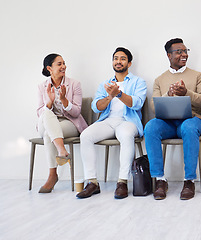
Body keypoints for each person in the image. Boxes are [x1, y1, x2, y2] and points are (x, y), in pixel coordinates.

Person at [144, 38, 201, 200]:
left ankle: (189, 181)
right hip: (167, 123)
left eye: (185, 51)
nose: (184, 55)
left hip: (192, 120)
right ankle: (160, 180)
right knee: (150, 127)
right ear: (168, 55)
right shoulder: (159, 80)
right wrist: (170, 94)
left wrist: (187, 93)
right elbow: (153, 107)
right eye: (179, 51)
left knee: (188, 128)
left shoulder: (198, 76)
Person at [76, 47, 147, 199]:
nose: (118, 61)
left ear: (129, 63)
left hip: (128, 121)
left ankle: (122, 182)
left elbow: (137, 104)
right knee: (86, 135)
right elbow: (95, 107)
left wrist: (119, 94)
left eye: (122, 58)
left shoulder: (138, 82)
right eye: (116, 58)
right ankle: (92, 182)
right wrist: (109, 97)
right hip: (108, 121)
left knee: (126, 135)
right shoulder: (105, 84)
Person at [37, 53, 88, 193]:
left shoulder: (74, 84)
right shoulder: (42, 86)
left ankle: (52, 175)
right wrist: (49, 102)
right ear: (49, 68)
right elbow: (39, 112)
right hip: (46, 122)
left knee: (49, 134)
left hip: (68, 122)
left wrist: (65, 100)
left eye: (64, 63)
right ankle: (62, 150)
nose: (63, 66)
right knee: (46, 114)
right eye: (59, 64)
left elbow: (76, 112)